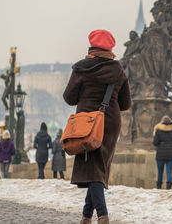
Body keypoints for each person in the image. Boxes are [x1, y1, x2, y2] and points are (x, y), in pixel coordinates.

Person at [63, 29, 131, 224]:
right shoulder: (117, 70)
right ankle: (86, 216)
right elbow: (126, 104)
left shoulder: (81, 69)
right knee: (98, 167)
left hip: (86, 123)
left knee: (94, 169)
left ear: (91, 47)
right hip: (109, 122)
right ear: (110, 48)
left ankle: (102, 215)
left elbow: (69, 98)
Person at [152, 115, 172, 190]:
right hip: (171, 154)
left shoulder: (158, 130)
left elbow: (155, 143)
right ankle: (168, 188)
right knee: (169, 172)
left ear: (162, 122)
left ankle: (159, 188)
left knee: (160, 172)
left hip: (160, 154)